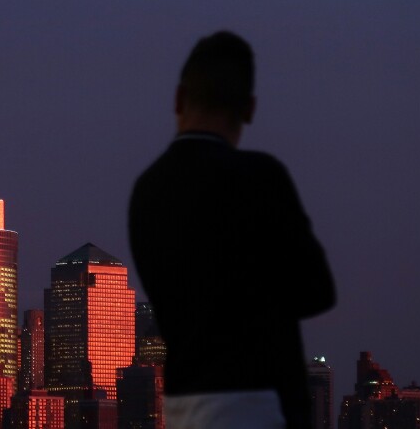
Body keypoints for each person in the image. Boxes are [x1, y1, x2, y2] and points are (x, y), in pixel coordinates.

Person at [128, 31, 336, 429]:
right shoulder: (262, 177)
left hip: (182, 407)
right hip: (261, 403)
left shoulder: (146, 190)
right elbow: (318, 290)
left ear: (178, 99)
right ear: (250, 109)